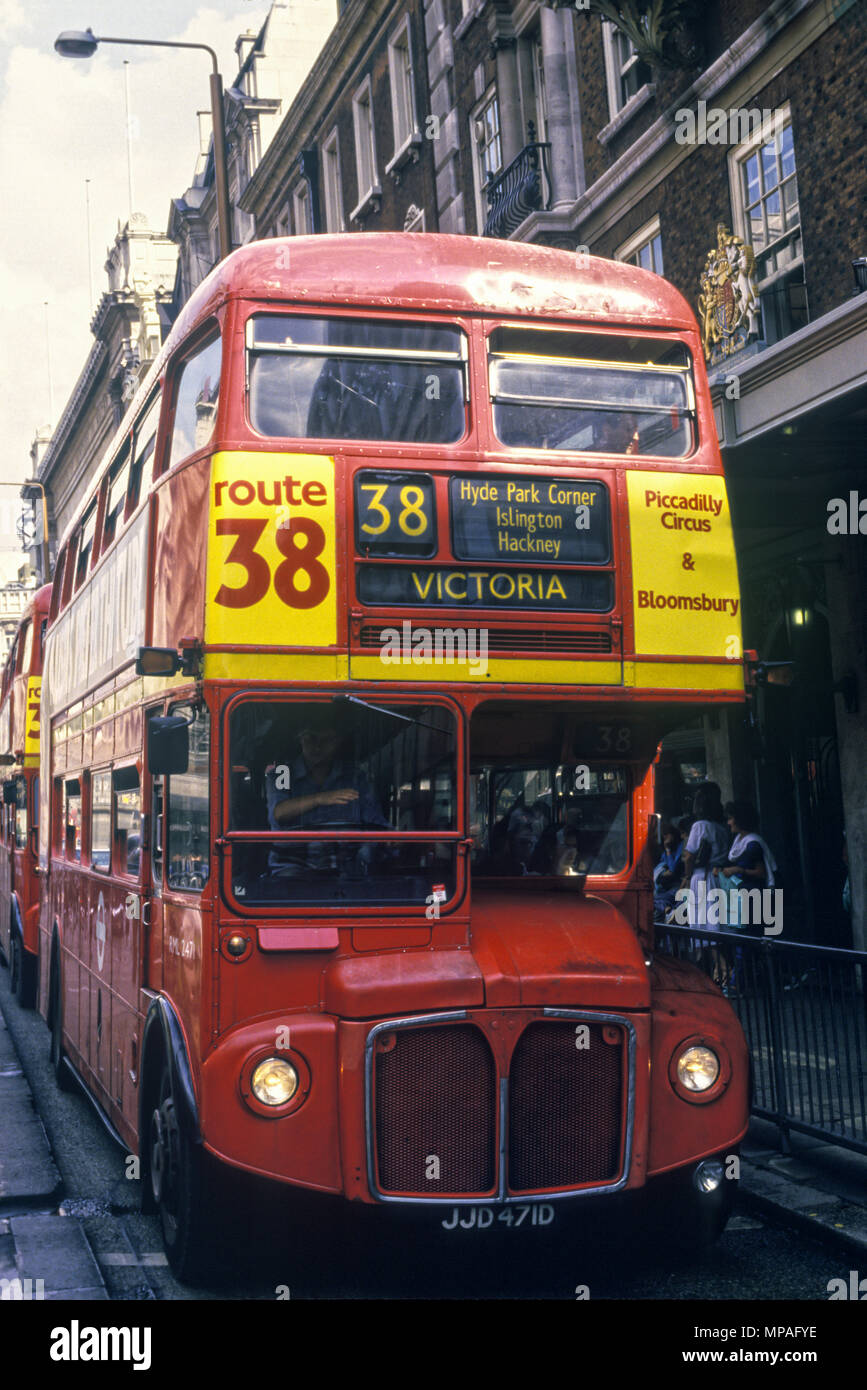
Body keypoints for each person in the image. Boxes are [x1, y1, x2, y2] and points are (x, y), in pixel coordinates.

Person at [264, 710, 387, 876]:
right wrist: (320, 798)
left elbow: (375, 821)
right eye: (311, 738)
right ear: (300, 739)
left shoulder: (355, 777)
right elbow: (279, 812)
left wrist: (391, 838)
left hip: (344, 864)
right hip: (293, 864)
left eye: (327, 740)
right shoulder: (283, 772)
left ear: (338, 742)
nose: (317, 747)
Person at [714, 800, 777, 937]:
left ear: (740, 819)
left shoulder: (753, 844)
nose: (728, 822)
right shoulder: (738, 841)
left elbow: (761, 873)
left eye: (730, 818)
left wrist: (738, 870)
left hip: (755, 899)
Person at [681, 783, 729, 928]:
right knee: (717, 926)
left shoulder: (699, 825)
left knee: (703, 929)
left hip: (702, 878)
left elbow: (689, 856)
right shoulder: (722, 828)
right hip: (719, 879)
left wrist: (687, 877)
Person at [653, 822, 683, 918]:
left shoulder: (680, 847)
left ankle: (668, 912)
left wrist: (668, 850)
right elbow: (662, 867)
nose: (665, 837)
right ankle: (667, 910)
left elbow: (672, 869)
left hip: (678, 886)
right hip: (666, 887)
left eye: (666, 834)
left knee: (654, 900)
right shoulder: (665, 853)